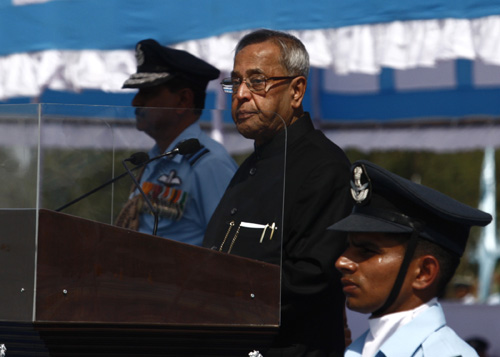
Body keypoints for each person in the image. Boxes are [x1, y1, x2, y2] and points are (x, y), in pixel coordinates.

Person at [203, 29, 353, 356]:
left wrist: (218, 295)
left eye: (257, 81)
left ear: (296, 90)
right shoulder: (255, 162)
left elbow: (311, 279)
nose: (241, 94)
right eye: (235, 82)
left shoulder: (324, 167)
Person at [328, 160, 492, 357]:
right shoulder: (357, 349)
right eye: (348, 247)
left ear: (424, 272)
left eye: (366, 250)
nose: (342, 262)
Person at [115, 39, 238, 246]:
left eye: (148, 92)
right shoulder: (152, 159)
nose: (136, 102)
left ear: (183, 101)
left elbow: (228, 248)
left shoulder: (210, 165)